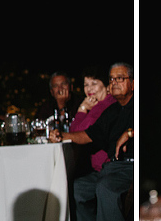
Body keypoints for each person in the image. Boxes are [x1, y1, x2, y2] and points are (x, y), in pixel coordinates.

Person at [50, 62, 134, 221]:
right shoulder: (112, 110)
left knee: (106, 187)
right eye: (112, 79)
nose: (114, 83)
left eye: (120, 78)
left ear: (133, 84)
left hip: (130, 165)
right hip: (110, 167)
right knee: (77, 188)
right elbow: (87, 135)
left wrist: (129, 133)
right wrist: (62, 136)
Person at [71, 71, 117, 173]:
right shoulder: (100, 104)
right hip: (101, 168)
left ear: (107, 86)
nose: (89, 88)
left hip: (109, 168)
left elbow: (75, 133)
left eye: (94, 83)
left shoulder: (104, 105)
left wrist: (82, 109)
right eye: (86, 85)